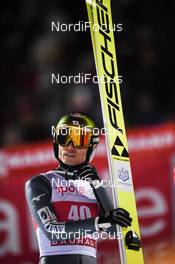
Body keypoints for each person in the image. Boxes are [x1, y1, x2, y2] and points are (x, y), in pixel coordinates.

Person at [25, 112, 132, 264]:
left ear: (92, 146)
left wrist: (98, 186)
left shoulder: (94, 184)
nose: (70, 146)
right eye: (64, 137)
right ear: (56, 142)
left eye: (79, 139)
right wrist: (99, 222)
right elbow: (52, 231)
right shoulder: (40, 183)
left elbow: (116, 230)